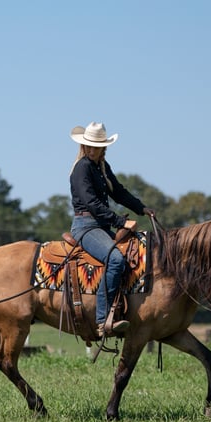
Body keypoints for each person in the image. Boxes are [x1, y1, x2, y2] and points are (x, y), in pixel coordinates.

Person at [68, 122, 155, 338]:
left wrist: (141, 208)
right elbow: (91, 203)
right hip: (86, 227)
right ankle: (102, 319)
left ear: (103, 148)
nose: (92, 149)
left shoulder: (102, 167)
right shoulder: (82, 168)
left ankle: (124, 311)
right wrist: (120, 222)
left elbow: (119, 192)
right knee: (115, 259)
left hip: (101, 226)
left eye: (96, 146)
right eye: (89, 145)